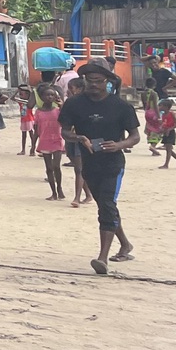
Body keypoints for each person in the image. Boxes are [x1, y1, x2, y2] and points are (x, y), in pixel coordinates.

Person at [60, 60, 141, 275]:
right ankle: (125, 244)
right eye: (90, 81)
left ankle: (102, 258)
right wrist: (79, 138)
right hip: (88, 162)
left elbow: (135, 137)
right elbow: (65, 131)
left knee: (106, 205)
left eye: (98, 81)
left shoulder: (121, 106)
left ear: (107, 81)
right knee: (106, 206)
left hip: (113, 163)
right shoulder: (73, 104)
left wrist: (119, 145)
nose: (94, 85)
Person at [63, 77, 92, 207]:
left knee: (79, 169)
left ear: (79, 89)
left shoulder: (85, 103)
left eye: (71, 88)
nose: (68, 91)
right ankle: (88, 194)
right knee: (78, 166)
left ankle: (77, 197)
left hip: (80, 137)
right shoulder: (70, 102)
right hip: (71, 137)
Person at [35, 85, 67, 200]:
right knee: (49, 168)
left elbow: (66, 120)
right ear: (41, 97)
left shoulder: (57, 111)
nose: (49, 97)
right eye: (47, 95)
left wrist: (61, 105)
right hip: (44, 141)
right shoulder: (38, 112)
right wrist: (33, 144)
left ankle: (59, 188)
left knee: (56, 166)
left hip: (57, 140)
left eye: (52, 95)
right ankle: (53, 192)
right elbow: (36, 128)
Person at [155, 97, 176, 169]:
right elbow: (164, 124)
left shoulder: (171, 114)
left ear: (166, 107)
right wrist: (161, 130)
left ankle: (166, 164)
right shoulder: (163, 115)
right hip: (166, 132)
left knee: (168, 149)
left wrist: (169, 129)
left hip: (171, 133)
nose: (159, 107)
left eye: (160, 106)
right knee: (169, 149)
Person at [16, 84, 37, 156]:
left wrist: (30, 90)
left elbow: (32, 96)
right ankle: (23, 150)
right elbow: (12, 98)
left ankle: (33, 149)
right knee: (24, 135)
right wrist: (17, 91)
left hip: (29, 119)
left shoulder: (29, 102)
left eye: (22, 94)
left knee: (31, 135)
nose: (20, 96)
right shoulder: (21, 101)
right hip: (23, 120)